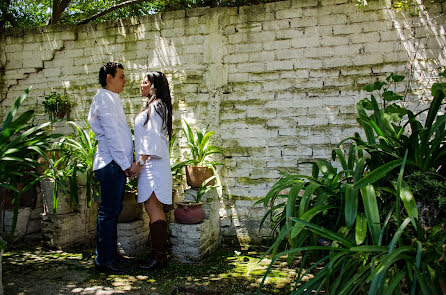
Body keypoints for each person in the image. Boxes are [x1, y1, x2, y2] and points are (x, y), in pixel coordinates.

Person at [88, 62, 134, 273]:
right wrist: (125, 164)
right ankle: (103, 261)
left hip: (115, 163)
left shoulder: (111, 98)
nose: (125, 81)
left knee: (113, 212)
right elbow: (113, 135)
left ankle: (111, 255)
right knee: (108, 212)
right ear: (109, 77)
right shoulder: (105, 99)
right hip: (110, 163)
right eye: (121, 76)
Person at [129, 71, 173, 270]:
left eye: (145, 82)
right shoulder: (157, 106)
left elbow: (152, 138)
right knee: (153, 206)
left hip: (152, 163)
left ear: (153, 86)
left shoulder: (156, 107)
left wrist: (139, 164)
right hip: (154, 162)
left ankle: (159, 257)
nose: (141, 84)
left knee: (152, 206)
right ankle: (160, 256)